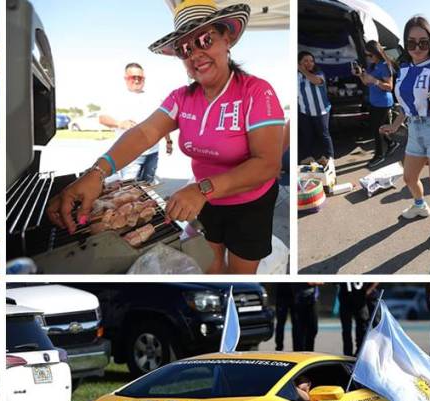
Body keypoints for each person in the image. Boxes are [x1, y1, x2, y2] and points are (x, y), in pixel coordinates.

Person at [46, 3, 284, 274]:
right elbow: (144, 132)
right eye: (185, 48)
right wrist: (97, 172)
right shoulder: (181, 98)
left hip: (248, 203)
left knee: (240, 272)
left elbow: (267, 164)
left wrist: (202, 189)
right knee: (210, 262)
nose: (196, 53)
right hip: (206, 200)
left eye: (205, 40)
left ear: (226, 39)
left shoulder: (256, 92)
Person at [380, 16, 430, 249]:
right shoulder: (404, 68)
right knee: (409, 178)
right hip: (414, 129)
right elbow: (407, 105)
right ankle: (420, 206)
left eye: (423, 43)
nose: (417, 48)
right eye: (411, 43)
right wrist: (395, 126)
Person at [99, 63, 173, 184]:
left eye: (140, 77)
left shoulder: (154, 97)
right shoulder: (115, 97)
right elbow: (102, 118)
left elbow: (164, 121)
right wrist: (119, 123)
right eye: (133, 77)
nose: (137, 80)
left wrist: (168, 141)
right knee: (129, 190)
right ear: (125, 78)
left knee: (147, 188)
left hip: (152, 152)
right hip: (130, 154)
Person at [357, 41, 398, 167]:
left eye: (370, 55)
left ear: (377, 53)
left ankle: (379, 155)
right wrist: (360, 75)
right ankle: (391, 144)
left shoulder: (385, 65)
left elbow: (389, 87)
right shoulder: (372, 66)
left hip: (383, 103)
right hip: (374, 102)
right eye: (366, 56)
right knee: (381, 128)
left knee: (376, 129)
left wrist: (375, 81)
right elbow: (366, 83)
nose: (368, 58)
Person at [297, 51, 333, 166]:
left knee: (324, 135)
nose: (309, 63)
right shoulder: (295, 76)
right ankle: (308, 160)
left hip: (321, 111)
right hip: (305, 111)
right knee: (307, 136)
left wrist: (302, 69)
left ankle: (330, 159)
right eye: (305, 61)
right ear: (299, 62)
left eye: (311, 61)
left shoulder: (319, 73)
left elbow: (316, 81)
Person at [337, 282, 377, 356]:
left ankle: (360, 352)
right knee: (347, 329)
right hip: (346, 299)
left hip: (360, 299)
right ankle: (348, 354)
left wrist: (368, 292)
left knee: (362, 327)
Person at [291, 283, 319, 351]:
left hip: (313, 299)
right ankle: (298, 352)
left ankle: (309, 352)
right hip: (299, 299)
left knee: (313, 328)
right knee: (299, 330)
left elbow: (321, 281)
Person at [273, 283, 292, 351]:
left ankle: (298, 348)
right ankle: (279, 347)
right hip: (282, 293)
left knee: (297, 324)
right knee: (280, 323)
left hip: (295, 291)